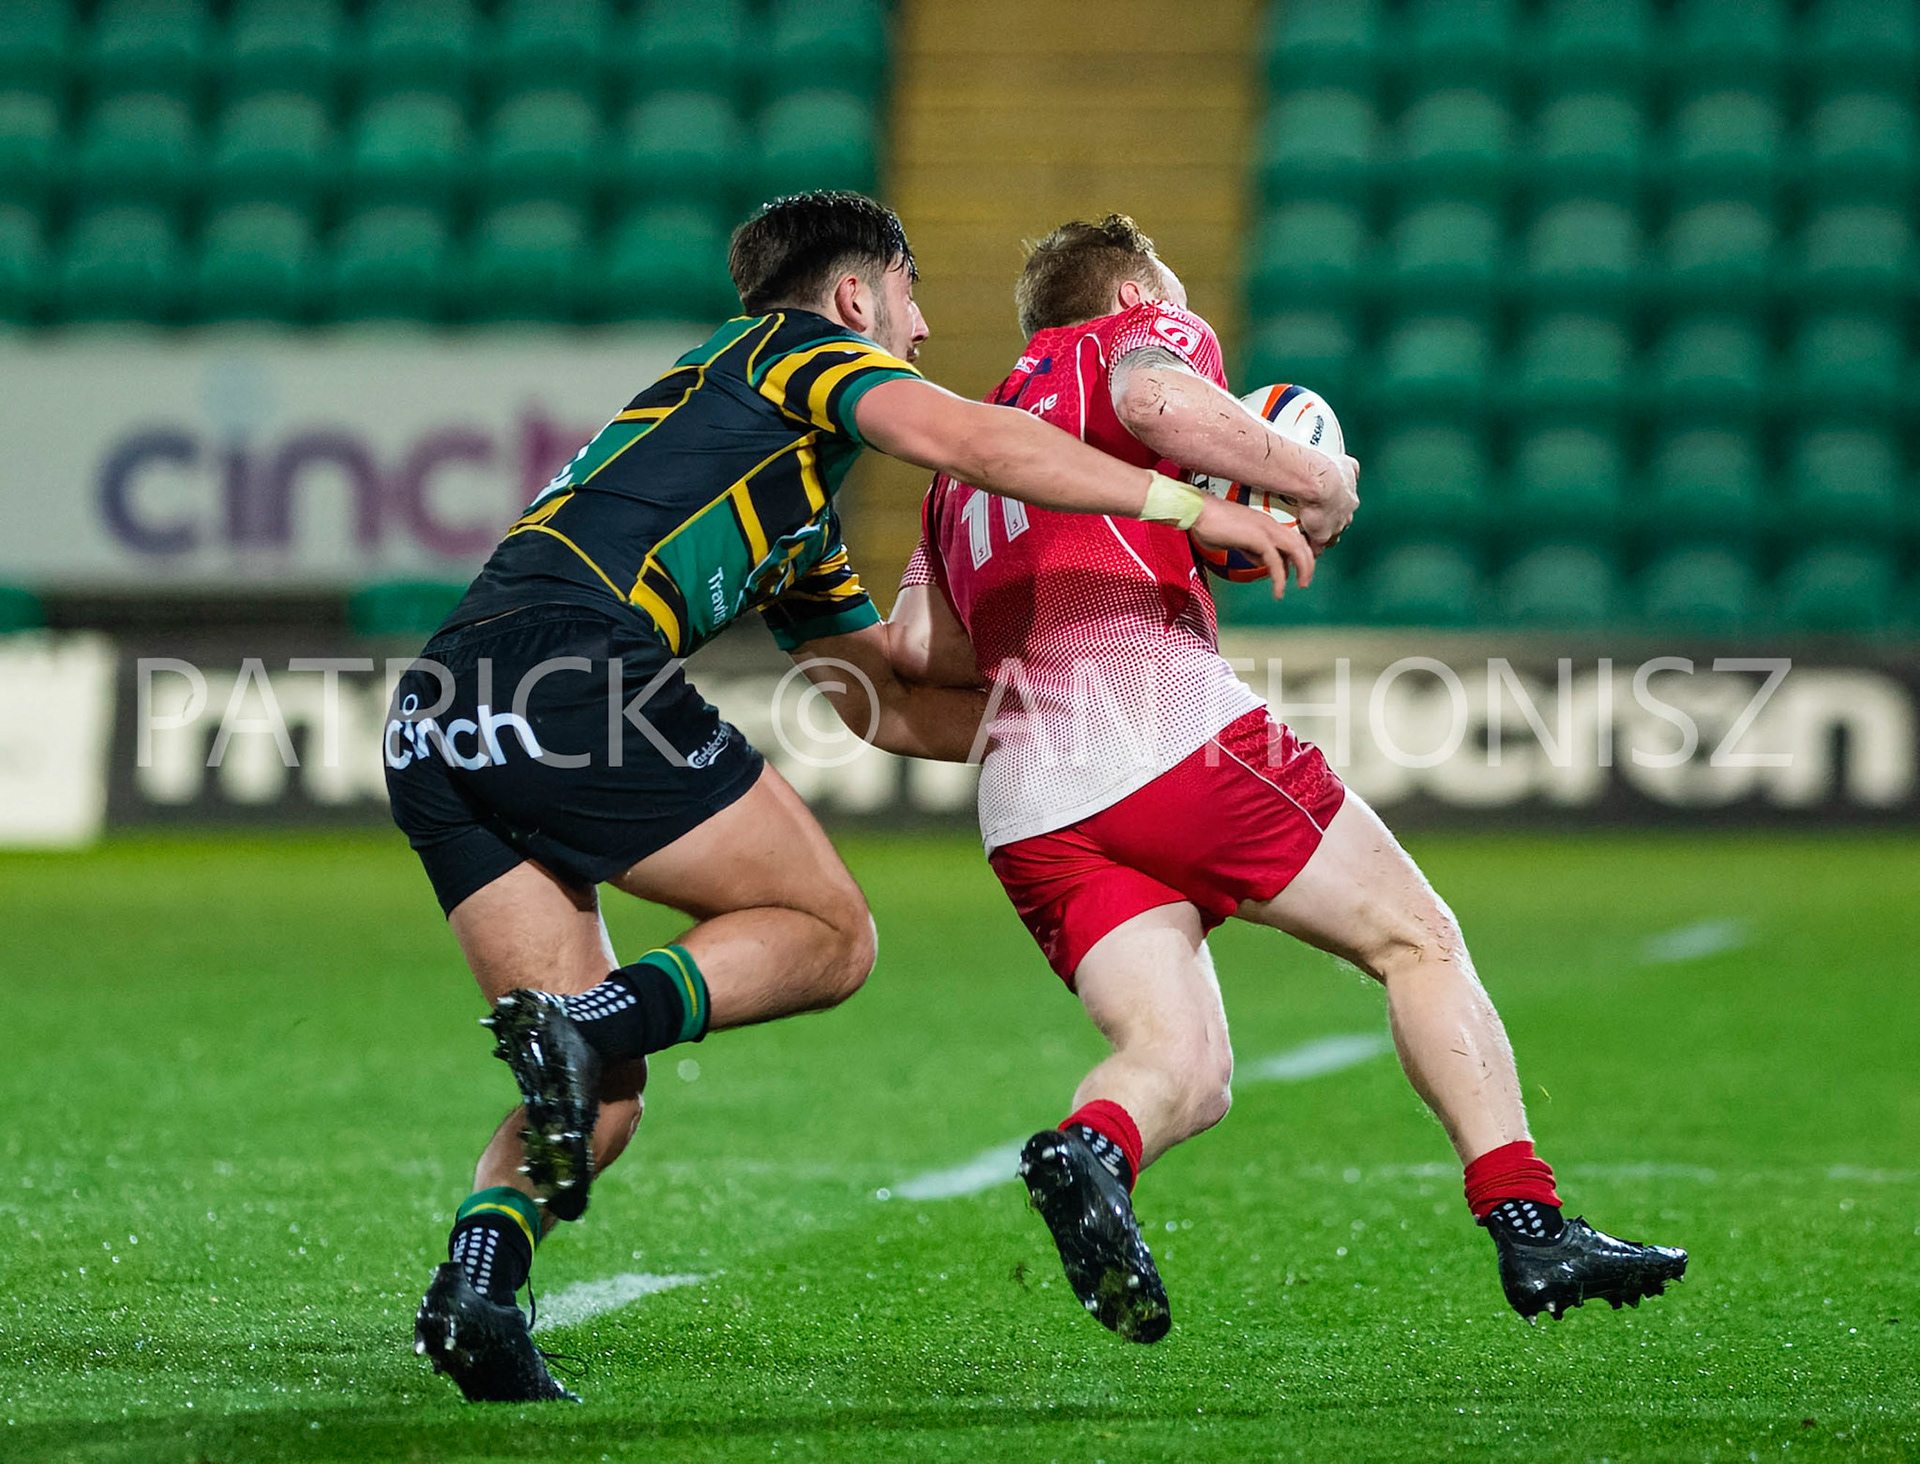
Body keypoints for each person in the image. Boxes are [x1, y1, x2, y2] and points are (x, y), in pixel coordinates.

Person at [384, 192, 1332, 1403]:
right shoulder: (792, 351)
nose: (924, 331)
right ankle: (582, 1032)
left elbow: (874, 700)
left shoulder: (780, 487)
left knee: (599, 1093)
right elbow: (977, 444)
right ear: (855, 295)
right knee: (828, 937)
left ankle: (476, 1286)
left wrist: (1082, 710)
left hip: (440, 707)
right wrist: (1190, 504)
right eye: (911, 297)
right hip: (569, 671)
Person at [889, 214, 1686, 1344]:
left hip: (1029, 798)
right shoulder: (1129, 339)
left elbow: (921, 652)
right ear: (1127, 298)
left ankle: (1092, 1150)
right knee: (1416, 938)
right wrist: (1316, 478)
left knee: (1186, 1067)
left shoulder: (961, 468)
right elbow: (1162, 401)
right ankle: (1530, 1219)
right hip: (1163, 729)